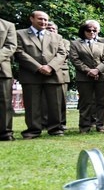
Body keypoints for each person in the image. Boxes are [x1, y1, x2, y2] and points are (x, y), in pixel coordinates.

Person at [15, 10, 66, 138]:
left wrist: (50, 66)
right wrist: (38, 67)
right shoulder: (19, 34)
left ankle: (56, 129)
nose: (43, 22)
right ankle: (33, 130)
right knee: (32, 104)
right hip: (31, 74)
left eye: (45, 19)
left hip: (53, 74)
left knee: (55, 104)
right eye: (40, 19)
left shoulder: (57, 36)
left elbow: (62, 54)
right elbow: (19, 52)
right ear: (31, 19)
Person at [69, 20, 104, 133]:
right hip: (84, 77)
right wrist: (89, 71)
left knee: (102, 102)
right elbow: (75, 60)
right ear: (83, 31)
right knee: (85, 102)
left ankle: (101, 126)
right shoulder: (75, 44)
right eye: (89, 30)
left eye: (94, 30)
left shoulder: (101, 44)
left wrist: (97, 70)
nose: (92, 32)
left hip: (102, 77)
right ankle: (84, 127)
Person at [0, 17, 17, 141]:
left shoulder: (8, 25)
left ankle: (5, 133)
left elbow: (11, 46)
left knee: (4, 102)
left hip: (2, 70)